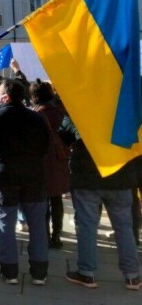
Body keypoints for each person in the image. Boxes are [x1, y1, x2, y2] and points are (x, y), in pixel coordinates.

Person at [0, 78, 49, 286]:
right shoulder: (37, 118)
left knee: (6, 223)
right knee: (37, 225)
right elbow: (46, 145)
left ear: (5, 96)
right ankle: (40, 272)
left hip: (4, 176)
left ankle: (10, 272)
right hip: (34, 176)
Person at [62, 115, 141, 290]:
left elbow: (65, 135)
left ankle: (87, 273)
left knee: (87, 227)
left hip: (87, 177)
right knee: (124, 227)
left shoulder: (83, 109)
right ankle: (132, 276)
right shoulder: (124, 108)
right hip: (121, 175)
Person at [28, 80, 69, 249]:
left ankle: (43, 235)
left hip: (41, 162)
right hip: (59, 161)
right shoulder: (62, 113)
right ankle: (56, 235)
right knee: (56, 199)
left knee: (42, 201)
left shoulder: (35, 116)